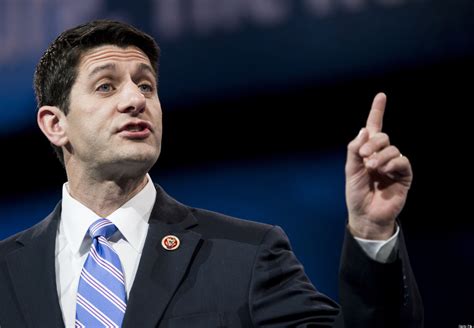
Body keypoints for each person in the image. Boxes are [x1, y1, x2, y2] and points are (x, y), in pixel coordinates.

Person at [0, 19, 423, 327]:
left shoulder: (247, 253)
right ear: (55, 124)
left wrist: (371, 231)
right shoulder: (6, 271)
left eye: (146, 86)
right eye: (106, 86)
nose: (135, 99)